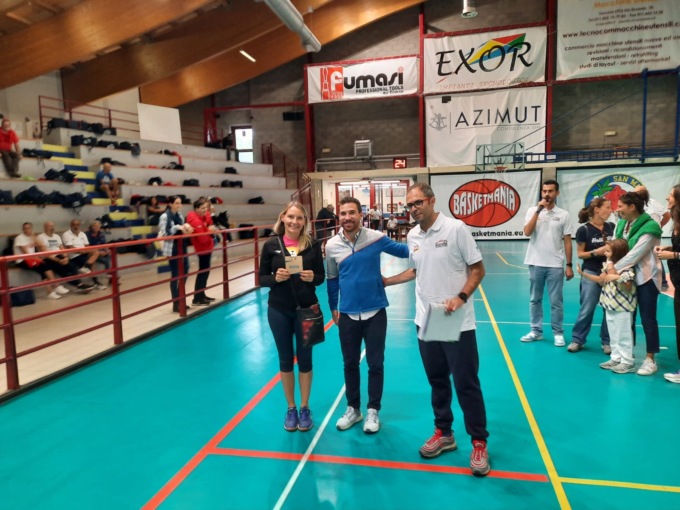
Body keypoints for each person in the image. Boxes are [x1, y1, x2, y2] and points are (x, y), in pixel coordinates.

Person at [383, 183, 491, 477]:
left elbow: (478, 269)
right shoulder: (413, 235)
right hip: (426, 319)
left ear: (432, 201)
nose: (413, 209)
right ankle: (444, 433)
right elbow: (416, 270)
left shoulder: (456, 229)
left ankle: (479, 441)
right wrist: (387, 281)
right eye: (409, 205)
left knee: (466, 383)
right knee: (437, 380)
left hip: (455, 320)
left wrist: (461, 297)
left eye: (418, 202)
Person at [325, 196, 409, 434]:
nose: (347, 217)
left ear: (361, 215)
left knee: (375, 363)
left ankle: (373, 410)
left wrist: (428, 243)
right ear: (339, 216)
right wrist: (333, 306)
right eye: (343, 213)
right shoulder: (331, 246)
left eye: (352, 212)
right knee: (350, 363)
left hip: (375, 313)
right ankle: (353, 409)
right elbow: (332, 279)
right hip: (347, 315)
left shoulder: (376, 238)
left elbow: (405, 251)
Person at [259, 202, 325, 432]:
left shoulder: (313, 244)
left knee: (305, 360)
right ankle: (291, 407)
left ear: (304, 221)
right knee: (285, 359)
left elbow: (321, 277)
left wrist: (312, 277)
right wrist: (275, 278)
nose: (294, 222)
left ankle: (305, 407)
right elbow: (262, 278)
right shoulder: (271, 245)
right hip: (278, 310)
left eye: (299, 218)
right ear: (283, 218)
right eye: (291, 217)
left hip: (305, 310)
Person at [613, 191, 662, 375]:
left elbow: (634, 255)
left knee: (648, 319)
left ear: (632, 207)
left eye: (620, 206)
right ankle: (627, 358)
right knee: (627, 318)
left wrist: (611, 270)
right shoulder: (622, 224)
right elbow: (615, 246)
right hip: (627, 277)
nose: (618, 209)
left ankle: (650, 359)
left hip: (646, 278)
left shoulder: (650, 226)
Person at [521, 179, 574, 346]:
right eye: (544, 191)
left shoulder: (564, 215)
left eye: (550, 191)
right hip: (535, 262)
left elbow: (567, 241)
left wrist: (569, 265)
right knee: (535, 299)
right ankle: (536, 331)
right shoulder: (532, 211)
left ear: (557, 193)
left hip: (555, 265)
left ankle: (558, 333)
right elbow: (527, 232)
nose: (547, 194)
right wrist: (538, 211)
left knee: (556, 302)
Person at [578, 239, 637, 373]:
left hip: (622, 307)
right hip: (610, 305)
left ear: (617, 253)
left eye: (608, 251)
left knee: (623, 334)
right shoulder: (609, 266)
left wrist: (616, 277)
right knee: (614, 334)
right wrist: (583, 274)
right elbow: (601, 280)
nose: (605, 253)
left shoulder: (626, 268)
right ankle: (616, 358)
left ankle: (627, 362)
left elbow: (628, 287)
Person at [568, 198, 615, 353]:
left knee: (609, 308)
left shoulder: (611, 227)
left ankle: (607, 341)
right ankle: (577, 339)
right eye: (607, 207)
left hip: (609, 271)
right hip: (591, 271)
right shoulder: (584, 230)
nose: (610, 210)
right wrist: (596, 252)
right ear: (597, 209)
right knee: (587, 307)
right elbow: (580, 254)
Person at [654, 184, 680, 383]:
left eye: (670, 196)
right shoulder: (676, 222)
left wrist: (673, 255)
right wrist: (669, 247)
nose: (667, 198)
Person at [159, 196, 194, 313]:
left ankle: (180, 299)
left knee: (185, 271)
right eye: (177, 203)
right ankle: (176, 303)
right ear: (170, 204)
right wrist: (178, 227)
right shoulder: (164, 216)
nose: (179, 205)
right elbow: (165, 233)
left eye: (180, 203)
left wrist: (187, 229)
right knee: (175, 274)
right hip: (172, 248)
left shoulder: (179, 215)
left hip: (182, 246)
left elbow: (181, 230)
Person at [38, 221, 94, 293]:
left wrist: (66, 257)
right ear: (45, 227)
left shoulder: (56, 236)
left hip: (59, 256)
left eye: (53, 226)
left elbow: (62, 248)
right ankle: (79, 285)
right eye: (50, 226)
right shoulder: (41, 237)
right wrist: (58, 260)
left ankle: (79, 284)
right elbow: (46, 253)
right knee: (62, 270)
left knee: (73, 267)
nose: (52, 228)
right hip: (49, 258)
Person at [13, 222, 65, 300]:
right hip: (22, 260)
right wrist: (37, 258)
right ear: (22, 229)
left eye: (29, 228)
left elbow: (41, 245)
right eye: (25, 229)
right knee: (43, 266)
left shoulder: (32, 237)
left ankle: (52, 290)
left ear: (31, 229)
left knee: (44, 267)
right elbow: (26, 253)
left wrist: (33, 236)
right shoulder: (19, 238)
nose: (27, 230)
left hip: (31, 259)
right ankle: (55, 286)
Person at [635, 185, 671, 291]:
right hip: (641, 233)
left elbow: (667, 215)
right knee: (645, 256)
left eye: (637, 192)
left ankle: (663, 282)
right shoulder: (636, 204)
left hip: (653, 234)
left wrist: (659, 226)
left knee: (655, 254)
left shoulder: (653, 202)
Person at [186, 197, 218, 306]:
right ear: (197, 208)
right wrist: (209, 231)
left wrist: (208, 215)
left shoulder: (202, 217)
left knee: (205, 272)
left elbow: (209, 221)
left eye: (206, 207)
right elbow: (202, 239)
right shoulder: (196, 221)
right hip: (202, 249)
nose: (205, 210)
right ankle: (197, 298)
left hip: (206, 248)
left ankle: (201, 295)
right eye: (203, 208)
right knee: (203, 273)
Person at [86, 220, 111, 290]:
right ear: (91, 227)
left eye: (98, 226)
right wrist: (100, 252)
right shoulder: (87, 234)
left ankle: (110, 274)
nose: (97, 227)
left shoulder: (101, 234)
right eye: (95, 226)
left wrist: (107, 250)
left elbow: (104, 244)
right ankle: (109, 274)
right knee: (106, 261)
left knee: (109, 255)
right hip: (91, 253)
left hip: (101, 251)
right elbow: (88, 247)